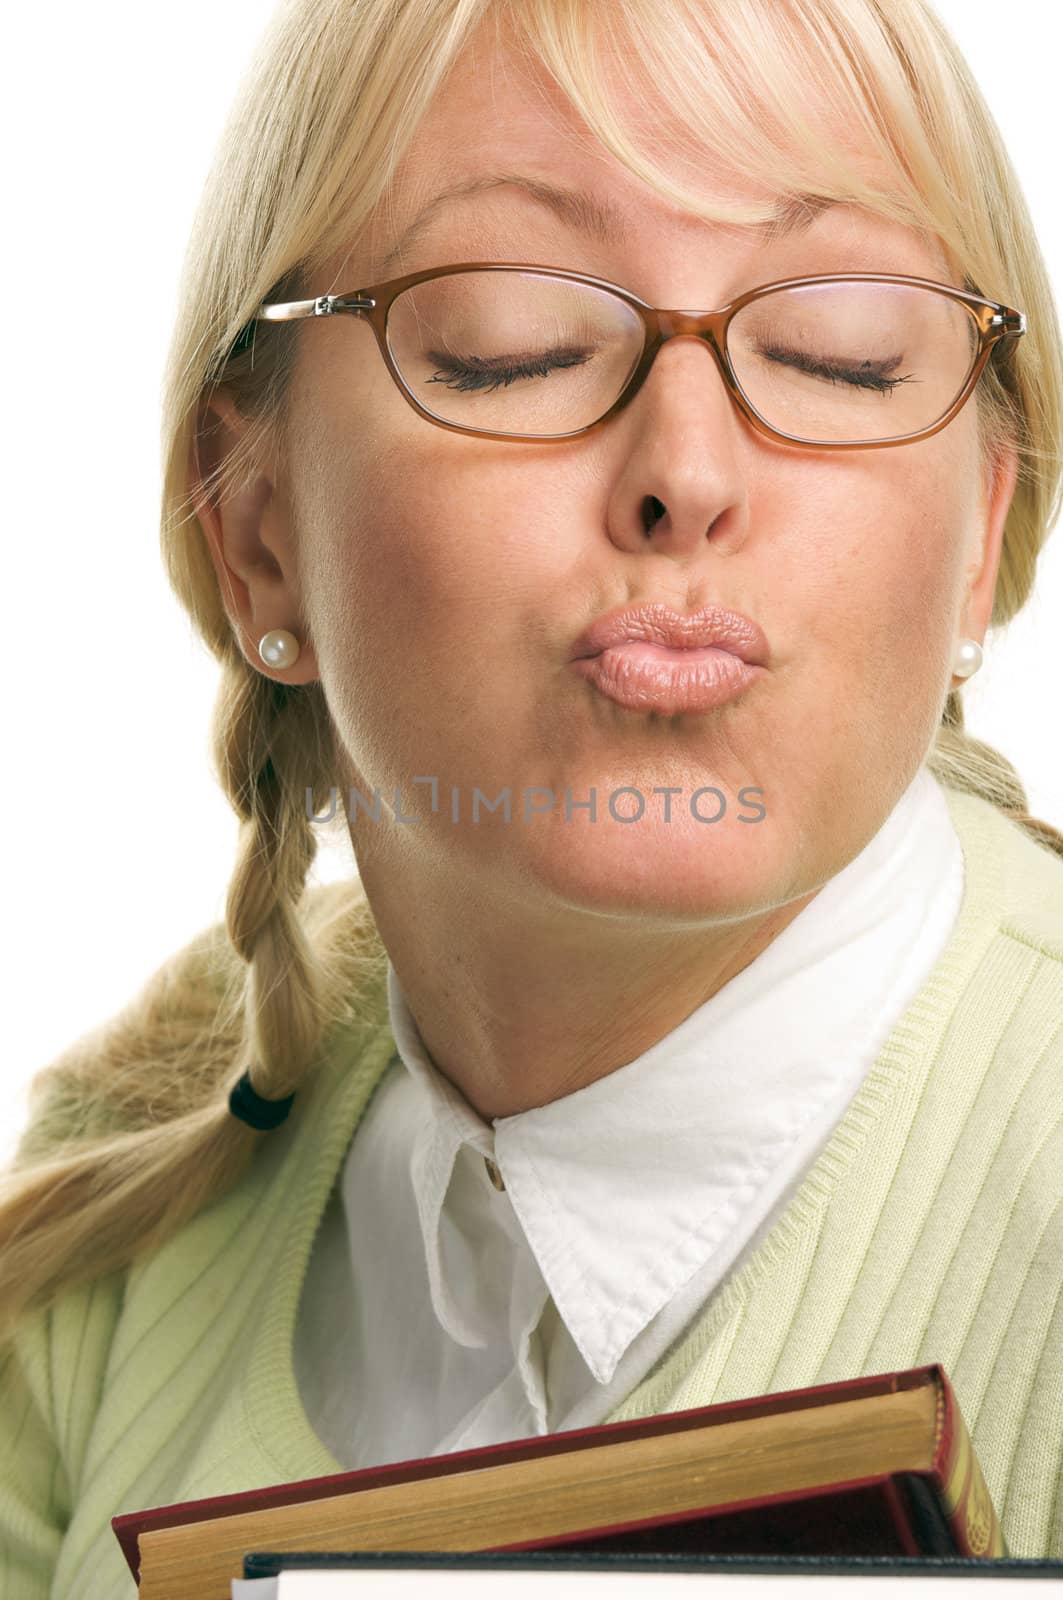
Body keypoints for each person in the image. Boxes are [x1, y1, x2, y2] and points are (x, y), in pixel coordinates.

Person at [3, 0, 1063, 1592]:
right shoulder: (130, 1168)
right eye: (516, 346)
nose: (689, 472)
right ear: (257, 526)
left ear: (983, 522)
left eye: (839, 350)